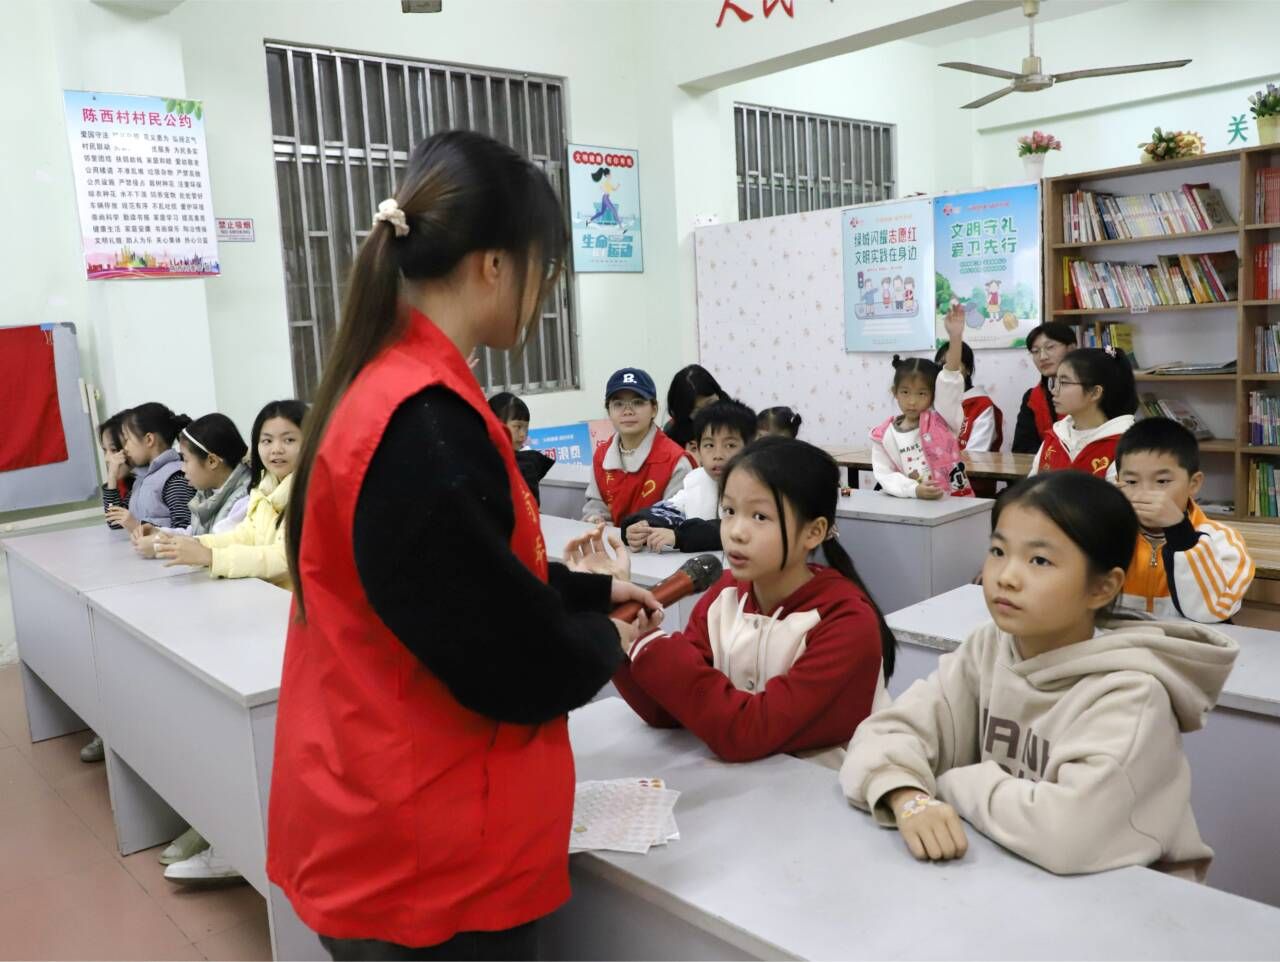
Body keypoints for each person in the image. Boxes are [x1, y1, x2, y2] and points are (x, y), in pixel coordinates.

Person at [265, 130, 660, 960]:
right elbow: (505, 658)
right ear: (494, 265)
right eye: (544, 269)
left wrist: (588, 592)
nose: (545, 293)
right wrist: (605, 639)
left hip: (380, 811)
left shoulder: (387, 388)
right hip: (428, 851)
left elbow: (462, 580)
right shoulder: (425, 423)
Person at [841, 471, 1238, 879]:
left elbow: (1067, 834)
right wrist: (908, 795)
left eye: (1039, 560)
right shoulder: (989, 646)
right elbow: (884, 734)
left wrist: (951, 784)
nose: (1006, 576)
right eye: (998, 551)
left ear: (1103, 588)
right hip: (1007, 877)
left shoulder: (1132, 693)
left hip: (1126, 900)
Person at [591, 438, 894, 768]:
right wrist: (623, 632)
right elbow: (668, 711)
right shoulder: (724, 594)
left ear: (814, 532)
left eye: (759, 516)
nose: (735, 532)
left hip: (828, 790)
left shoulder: (847, 621)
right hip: (753, 787)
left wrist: (653, 644)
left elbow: (748, 731)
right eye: (729, 511)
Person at [153, 400, 305, 591]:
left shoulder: (311, 494)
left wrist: (212, 557)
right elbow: (246, 535)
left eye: (288, 440)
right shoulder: (265, 487)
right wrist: (197, 543)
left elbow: (285, 559)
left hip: (295, 600)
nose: (276, 449)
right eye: (267, 441)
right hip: (268, 593)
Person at [1114, 418, 1254, 622]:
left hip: (1187, 642)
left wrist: (1179, 531)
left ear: (1193, 483)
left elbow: (1213, 611)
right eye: (1131, 481)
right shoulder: (1106, 534)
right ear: (1117, 482)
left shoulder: (1223, 541)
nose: (1145, 493)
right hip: (1124, 641)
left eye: (1162, 481)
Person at [621, 399, 756, 554]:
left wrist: (680, 536)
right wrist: (640, 526)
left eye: (730, 445)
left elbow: (732, 527)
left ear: (750, 448)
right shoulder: (698, 481)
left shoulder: (758, 487)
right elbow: (668, 511)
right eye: (709, 445)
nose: (718, 455)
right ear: (698, 449)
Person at [869, 308, 971, 500]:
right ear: (895, 393)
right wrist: (914, 490)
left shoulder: (943, 420)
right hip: (911, 506)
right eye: (905, 392)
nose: (912, 401)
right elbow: (885, 475)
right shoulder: (883, 435)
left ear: (933, 395)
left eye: (922, 393)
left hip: (951, 503)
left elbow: (950, 378)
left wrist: (955, 337)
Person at [131, 413, 252, 558]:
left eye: (186, 460)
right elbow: (194, 533)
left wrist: (160, 545)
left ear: (212, 461)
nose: (183, 468)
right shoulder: (208, 492)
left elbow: (216, 544)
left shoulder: (245, 500)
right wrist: (159, 532)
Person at [582, 367, 693, 525]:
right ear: (609, 411)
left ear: (654, 409)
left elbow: (676, 520)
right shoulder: (601, 456)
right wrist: (596, 520)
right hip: (609, 540)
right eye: (618, 404)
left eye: (638, 402)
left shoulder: (676, 462)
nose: (628, 411)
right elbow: (595, 507)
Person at [1029, 347, 1137, 481]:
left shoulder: (1124, 446)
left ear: (1095, 392)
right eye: (1055, 382)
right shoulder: (1055, 436)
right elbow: (1031, 488)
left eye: (1063, 383)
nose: (1054, 391)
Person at [103, 403, 197, 532]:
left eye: (127, 440)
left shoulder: (175, 478)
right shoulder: (142, 479)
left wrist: (137, 526)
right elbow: (114, 522)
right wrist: (112, 477)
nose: (125, 448)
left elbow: (185, 531)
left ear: (149, 439)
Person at [1012, 322, 1077, 454]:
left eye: (1050, 347)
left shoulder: (1091, 390)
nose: (1042, 357)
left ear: (1071, 348)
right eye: (1035, 351)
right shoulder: (1032, 397)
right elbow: (1021, 449)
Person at [933, 340, 1002, 453]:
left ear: (968, 369)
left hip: (970, 464)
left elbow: (976, 454)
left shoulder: (982, 406)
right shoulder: (932, 401)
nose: (947, 371)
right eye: (942, 365)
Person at [488, 391, 554, 505]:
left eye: (526, 428)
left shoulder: (526, 466)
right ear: (495, 424)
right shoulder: (479, 462)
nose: (523, 434)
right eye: (517, 427)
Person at [663, 363, 728, 451]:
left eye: (711, 404)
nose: (708, 414)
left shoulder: (738, 419)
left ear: (718, 394)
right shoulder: (673, 439)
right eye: (698, 412)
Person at [98, 411, 135, 532]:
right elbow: (114, 522)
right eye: (105, 450)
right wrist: (112, 478)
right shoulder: (130, 482)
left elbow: (115, 523)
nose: (107, 459)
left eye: (113, 450)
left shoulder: (144, 482)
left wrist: (112, 476)